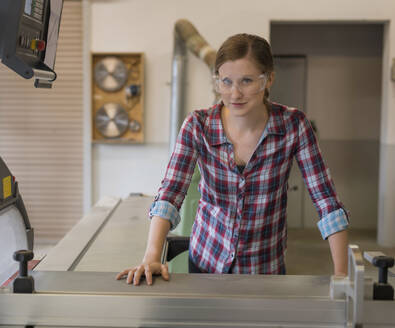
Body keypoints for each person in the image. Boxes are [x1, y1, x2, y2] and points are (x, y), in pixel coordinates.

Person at [116, 33, 349, 285]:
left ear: (269, 78)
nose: (235, 93)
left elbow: (326, 201)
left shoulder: (293, 126)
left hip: (265, 269)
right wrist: (152, 255)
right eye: (226, 81)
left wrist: (342, 275)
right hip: (206, 262)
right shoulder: (198, 125)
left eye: (246, 81)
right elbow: (170, 193)